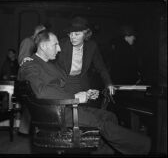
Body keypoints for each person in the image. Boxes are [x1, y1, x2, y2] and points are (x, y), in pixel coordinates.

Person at [18, 29, 151, 155]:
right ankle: (148, 147)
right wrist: (74, 97)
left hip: (66, 107)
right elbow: (41, 92)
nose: (59, 49)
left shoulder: (52, 66)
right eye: (55, 44)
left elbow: (65, 87)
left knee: (109, 116)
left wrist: (86, 93)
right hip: (54, 114)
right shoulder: (30, 64)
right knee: (100, 122)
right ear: (43, 46)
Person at [55, 16, 114, 96]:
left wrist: (108, 83)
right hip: (62, 82)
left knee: (84, 107)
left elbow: (101, 67)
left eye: (77, 34)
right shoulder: (61, 44)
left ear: (85, 34)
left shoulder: (92, 46)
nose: (73, 37)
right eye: (70, 34)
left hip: (81, 82)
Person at [18, 24, 46, 135]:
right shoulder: (28, 41)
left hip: (32, 79)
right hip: (27, 80)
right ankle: (25, 131)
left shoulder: (35, 43)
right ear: (38, 33)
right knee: (31, 105)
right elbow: (22, 60)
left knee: (31, 106)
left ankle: (26, 131)